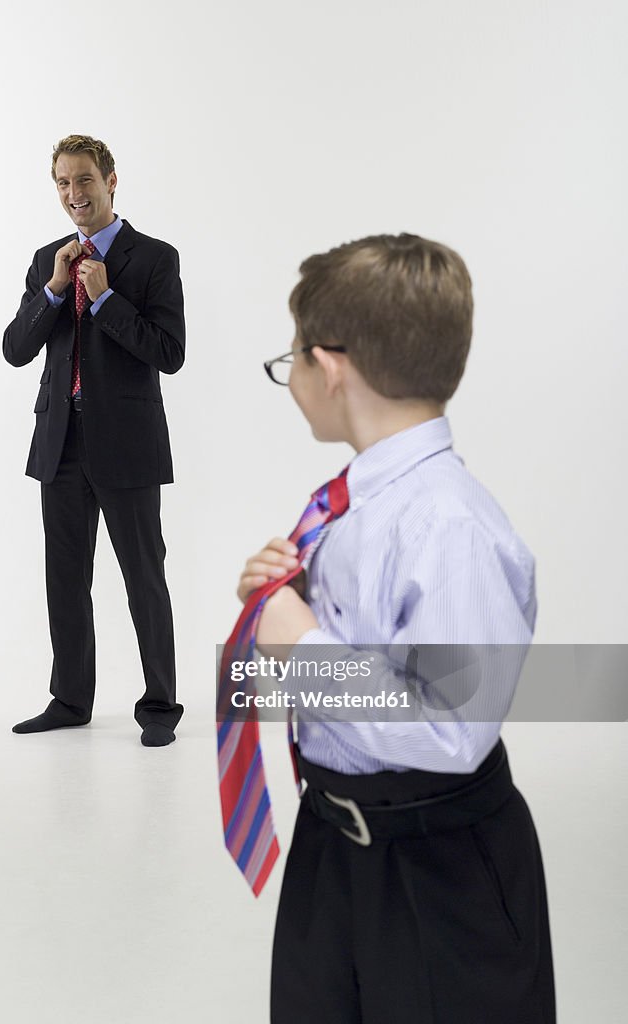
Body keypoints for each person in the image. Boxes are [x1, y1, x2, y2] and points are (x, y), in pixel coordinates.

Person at [235, 235, 555, 1021]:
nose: (294, 376)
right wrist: (295, 598)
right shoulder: (354, 504)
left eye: (293, 359)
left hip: (434, 866)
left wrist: (301, 648)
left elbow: (452, 726)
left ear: (330, 365)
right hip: (332, 838)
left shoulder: (449, 526)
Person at [3, 134, 184, 747]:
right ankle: (71, 698)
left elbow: (169, 353)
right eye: (61, 182)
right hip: (61, 443)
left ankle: (159, 705)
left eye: (83, 180)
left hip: (127, 445)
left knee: (143, 578)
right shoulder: (45, 260)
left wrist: (104, 297)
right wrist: (56, 289)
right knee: (65, 577)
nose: (73, 194)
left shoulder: (154, 258)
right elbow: (16, 349)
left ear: (111, 180)